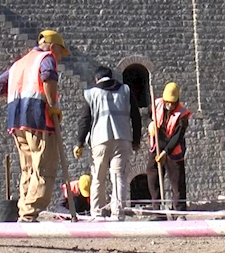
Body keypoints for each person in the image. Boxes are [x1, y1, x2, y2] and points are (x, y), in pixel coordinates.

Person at [0, 30, 70, 222]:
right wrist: (52, 106)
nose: (59, 57)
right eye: (60, 52)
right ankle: (29, 214)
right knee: (44, 168)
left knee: (28, 169)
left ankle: (23, 210)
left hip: (17, 123)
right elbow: (48, 76)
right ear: (52, 47)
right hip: (39, 120)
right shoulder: (46, 58)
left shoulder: (20, 63)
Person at [74, 66, 141, 221]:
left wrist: (80, 142)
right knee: (119, 176)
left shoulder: (92, 93)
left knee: (98, 176)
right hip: (123, 137)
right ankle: (118, 213)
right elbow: (136, 116)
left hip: (100, 139)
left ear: (96, 79)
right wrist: (136, 140)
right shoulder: (125, 90)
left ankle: (97, 213)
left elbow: (85, 120)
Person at [147, 82, 192, 220]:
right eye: (167, 102)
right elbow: (149, 116)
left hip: (173, 149)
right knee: (153, 177)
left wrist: (166, 152)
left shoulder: (182, 115)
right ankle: (157, 211)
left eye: (172, 103)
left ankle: (179, 212)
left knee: (177, 183)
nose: (169, 105)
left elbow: (177, 136)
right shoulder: (157, 104)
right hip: (157, 146)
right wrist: (150, 126)